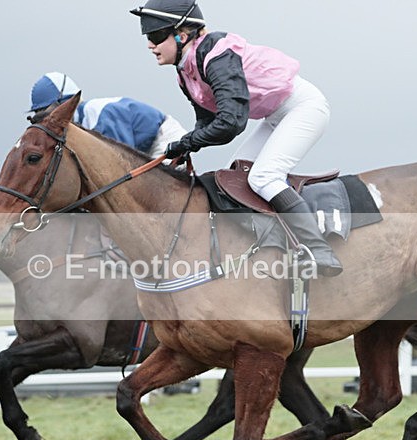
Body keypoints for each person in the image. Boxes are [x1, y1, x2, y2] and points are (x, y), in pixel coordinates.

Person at [129, 1, 342, 277]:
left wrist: (187, 142)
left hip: (303, 108)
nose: (150, 45)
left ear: (182, 35)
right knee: (234, 177)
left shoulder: (216, 55)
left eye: (156, 37)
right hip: (275, 115)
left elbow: (231, 123)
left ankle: (319, 250)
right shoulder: (185, 72)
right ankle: (270, 247)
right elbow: (207, 122)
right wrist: (184, 149)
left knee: (263, 177)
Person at [28, 72, 188, 159]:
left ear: (67, 102)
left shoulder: (100, 117)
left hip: (164, 140)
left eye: (48, 113)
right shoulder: (78, 124)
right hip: (143, 148)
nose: (46, 121)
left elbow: (124, 161)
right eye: (39, 116)